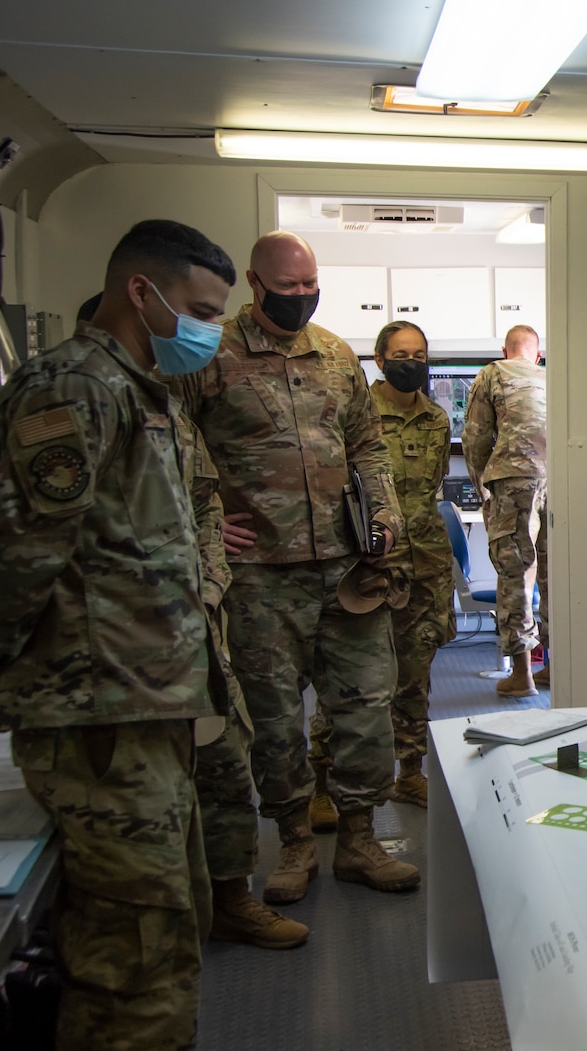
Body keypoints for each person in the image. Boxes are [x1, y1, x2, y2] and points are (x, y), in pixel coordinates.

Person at [0, 220, 240, 1051]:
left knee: (167, 923)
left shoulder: (142, 391)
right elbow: (26, 544)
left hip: (144, 699)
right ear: (140, 292)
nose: (208, 332)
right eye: (201, 313)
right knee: (131, 944)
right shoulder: (71, 389)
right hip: (96, 714)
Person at [172, 230, 419, 905]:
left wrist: (384, 516)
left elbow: (367, 444)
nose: (303, 298)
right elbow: (174, 449)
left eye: (312, 286)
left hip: (347, 571)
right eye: (289, 289)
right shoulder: (208, 354)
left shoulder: (337, 355)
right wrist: (212, 518)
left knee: (366, 705)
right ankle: (296, 843)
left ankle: (362, 840)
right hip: (261, 579)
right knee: (276, 719)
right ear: (255, 285)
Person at [77, 289, 306, 949]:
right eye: (201, 310)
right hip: (122, 645)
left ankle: (233, 897)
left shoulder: (169, 411)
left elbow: (207, 506)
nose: (208, 327)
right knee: (142, 796)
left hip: (195, 629)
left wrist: (207, 582)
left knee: (228, 764)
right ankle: (155, 921)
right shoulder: (82, 399)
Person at [305, 320, 453, 813]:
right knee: (350, 680)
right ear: (380, 359)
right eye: (401, 353)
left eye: (420, 352)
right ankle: (323, 782)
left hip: (425, 565)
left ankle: (410, 771)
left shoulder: (436, 418)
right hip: (368, 565)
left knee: (415, 676)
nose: (412, 361)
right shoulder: (357, 415)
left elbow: (430, 492)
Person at [463, 322, 549, 698]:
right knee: (553, 577)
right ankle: (554, 666)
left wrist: (483, 486)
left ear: (504, 350)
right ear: (538, 354)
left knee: (515, 574)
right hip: (556, 483)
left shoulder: (491, 374)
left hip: (513, 484)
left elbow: (476, 437)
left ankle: (521, 674)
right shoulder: (553, 377)